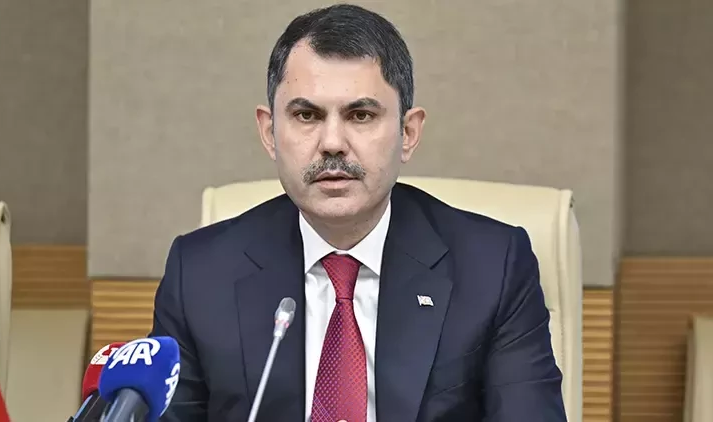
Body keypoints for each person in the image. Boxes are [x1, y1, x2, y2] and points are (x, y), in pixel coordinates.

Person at [149, 3, 567, 421]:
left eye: (361, 115)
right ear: (270, 132)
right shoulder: (200, 275)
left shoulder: (493, 268)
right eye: (307, 115)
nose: (332, 142)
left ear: (408, 133)